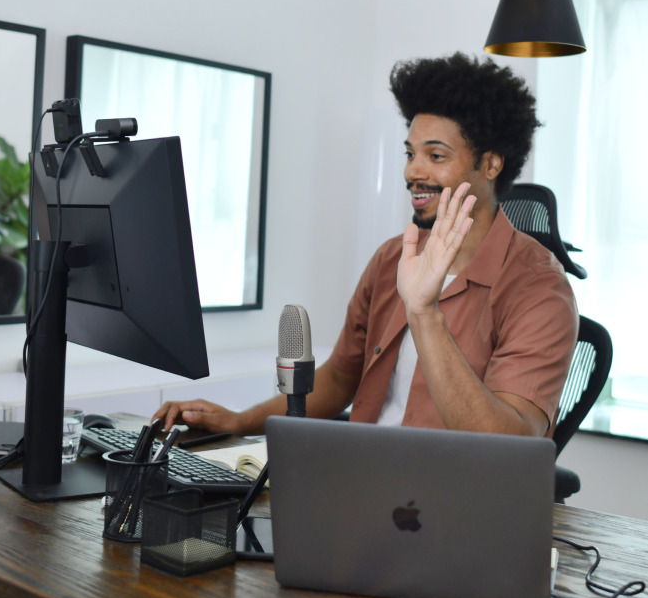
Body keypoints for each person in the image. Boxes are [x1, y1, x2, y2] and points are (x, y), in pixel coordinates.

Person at [154, 52, 578, 438]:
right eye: (410, 153)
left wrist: (424, 312)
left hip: (455, 500)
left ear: (490, 163)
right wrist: (239, 420)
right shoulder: (393, 257)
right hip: (362, 480)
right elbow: (341, 377)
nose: (413, 171)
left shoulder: (539, 288)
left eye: (436, 156)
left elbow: (510, 443)